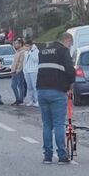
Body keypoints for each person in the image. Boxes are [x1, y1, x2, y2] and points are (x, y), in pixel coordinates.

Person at [36, 31, 76, 164]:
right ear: (67, 40)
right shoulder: (63, 51)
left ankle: (47, 156)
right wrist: (70, 84)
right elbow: (70, 70)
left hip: (41, 90)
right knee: (59, 124)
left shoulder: (43, 51)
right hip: (57, 91)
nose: (69, 47)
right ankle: (62, 156)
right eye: (70, 44)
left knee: (47, 125)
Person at [23, 40, 39, 107]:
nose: (26, 47)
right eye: (25, 46)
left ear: (30, 45)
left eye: (27, 46)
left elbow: (36, 60)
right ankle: (31, 100)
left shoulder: (36, 51)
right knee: (29, 87)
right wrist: (24, 70)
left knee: (34, 86)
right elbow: (24, 61)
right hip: (27, 71)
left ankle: (37, 100)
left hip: (34, 71)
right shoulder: (26, 52)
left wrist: (31, 53)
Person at [10, 38, 26, 105]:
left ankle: (20, 99)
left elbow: (21, 62)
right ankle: (17, 98)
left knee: (20, 85)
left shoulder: (23, 52)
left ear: (20, 44)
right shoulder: (17, 51)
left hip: (19, 72)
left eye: (16, 43)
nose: (15, 45)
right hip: (14, 71)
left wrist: (18, 70)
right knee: (13, 85)